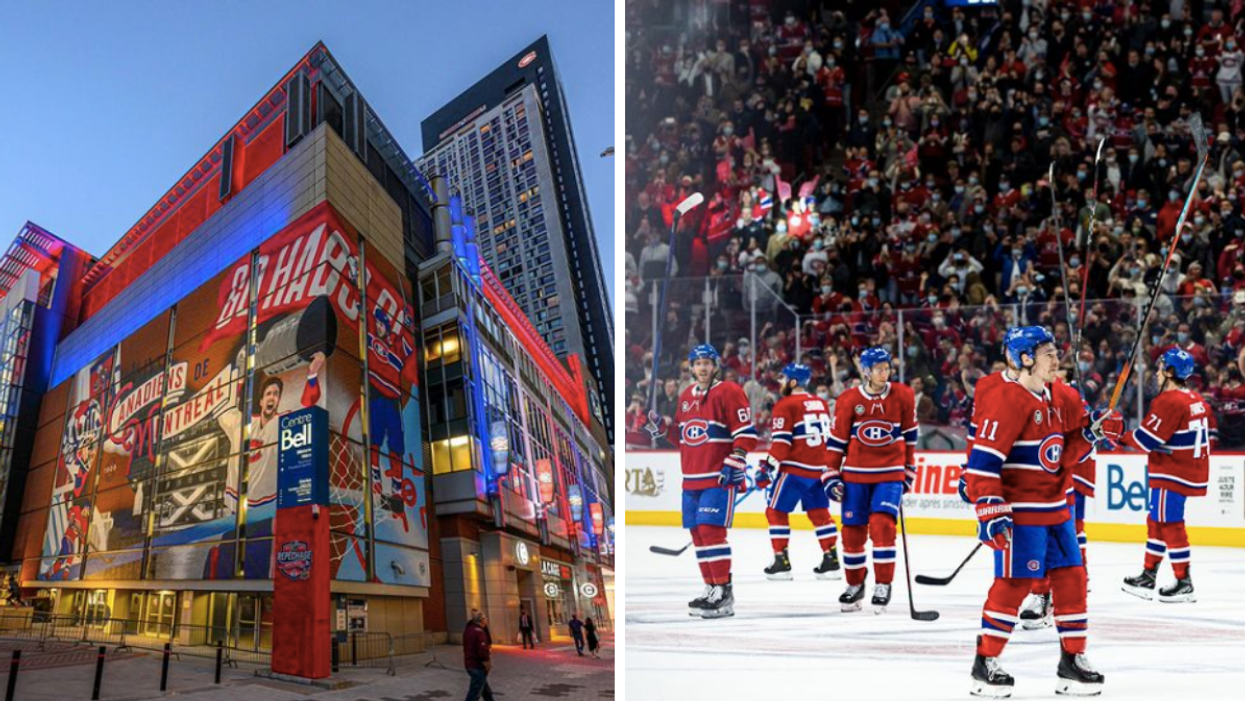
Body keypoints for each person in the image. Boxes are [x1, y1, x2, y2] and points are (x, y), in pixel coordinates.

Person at [963, 326, 1103, 697]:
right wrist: (989, 505)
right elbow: (982, 462)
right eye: (1047, 354)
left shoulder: (1054, 397)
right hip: (1021, 512)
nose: (1057, 360)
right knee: (1014, 585)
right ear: (1025, 359)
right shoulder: (1008, 400)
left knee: (1072, 579)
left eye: (1055, 353)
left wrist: (1089, 436)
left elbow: (1060, 459)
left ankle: (1072, 660)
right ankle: (985, 662)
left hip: (1057, 509)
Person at [646, 343, 758, 619]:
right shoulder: (685, 396)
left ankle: (724, 592)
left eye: (707, 362)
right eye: (698, 363)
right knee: (698, 534)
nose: (702, 367)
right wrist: (662, 429)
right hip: (691, 479)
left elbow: (746, 432)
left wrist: (738, 457)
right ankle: (711, 589)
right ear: (691, 367)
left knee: (711, 531)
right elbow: (683, 437)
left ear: (715, 365)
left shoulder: (730, 391)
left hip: (718, 476)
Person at [1099, 348, 1217, 603]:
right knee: (1157, 520)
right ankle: (1149, 574)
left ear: (1171, 372)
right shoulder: (1195, 399)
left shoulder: (1168, 401)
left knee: (1170, 523)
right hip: (1189, 470)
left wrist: (1116, 434)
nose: (1157, 373)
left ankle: (1183, 581)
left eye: (1161, 367)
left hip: (1172, 472)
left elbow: (1145, 440)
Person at [821, 347, 918, 612]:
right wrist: (831, 472)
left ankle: (883, 584)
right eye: (878, 369)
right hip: (855, 475)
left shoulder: (903, 394)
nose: (884, 373)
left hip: (890, 474)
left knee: (883, 526)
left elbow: (910, 436)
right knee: (852, 533)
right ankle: (855, 585)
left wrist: (910, 469)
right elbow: (837, 441)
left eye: (887, 368)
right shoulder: (849, 399)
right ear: (865, 371)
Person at [756, 362, 841, 581]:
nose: (780, 382)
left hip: (795, 470)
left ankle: (781, 561)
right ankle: (831, 559)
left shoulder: (785, 404)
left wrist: (766, 467)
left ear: (793, 381)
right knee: (820, 513)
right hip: (820, 469)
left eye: (783, 378)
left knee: (775, 512)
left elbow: (782, 444)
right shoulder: (820, 402)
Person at [463, 611, 495, 701]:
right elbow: (482, 651)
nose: (487, 620)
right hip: (477, 666)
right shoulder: (479, 632)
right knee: (474, 694)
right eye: (485, 618)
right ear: (481, 620)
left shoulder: (468, 629)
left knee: (486, 691)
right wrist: (487, 662)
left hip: (469, 663)